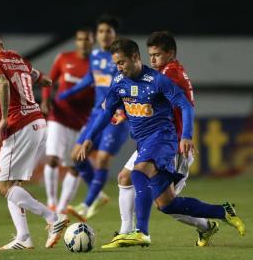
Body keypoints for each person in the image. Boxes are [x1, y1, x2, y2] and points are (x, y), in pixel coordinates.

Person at [77, 38, 246, 247]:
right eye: (116, 64)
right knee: (165, 203)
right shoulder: (119, 81)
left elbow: (185, 105)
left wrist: (186, 135)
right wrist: (88, 139)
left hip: (163, 139)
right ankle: (221, 212)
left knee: (138, 172)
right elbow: (107, 112)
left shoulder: (158, 79)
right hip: (144, 142)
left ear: (135, 57)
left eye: (121, 62)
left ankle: (140, 232)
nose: (118, 67)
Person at [102, 31, 219, 248]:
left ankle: (206, 225)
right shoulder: (164, 72)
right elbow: (140, 100)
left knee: (167, 203)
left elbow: (183, 106)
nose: (152, 60)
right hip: (153, 140)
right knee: (125, 178)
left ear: (170, 54)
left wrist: (185, 136)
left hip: (171, 144)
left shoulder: (169, 75)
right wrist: (122, 110)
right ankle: (127, 231)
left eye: (157, 55)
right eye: (150, 55)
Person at [0, 31, 69, 250]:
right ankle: (24, 237)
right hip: (38, 122)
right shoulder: (18, 59)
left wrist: (3, 118)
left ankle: (53, 218)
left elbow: (1, 82)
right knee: (14, 184)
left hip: (20, 125)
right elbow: (45, 80)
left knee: (3, 186)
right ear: (2, 44)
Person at [58, 14, 130, 221]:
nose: (104, 35)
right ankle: (97, 195)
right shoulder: (96, 56)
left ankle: (87, 204)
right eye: (100, 31)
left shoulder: (122, 57)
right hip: (97, 114)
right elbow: (90, 77)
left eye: (108, 31)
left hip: (117, 115)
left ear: (115, 34)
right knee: (76, 156)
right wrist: (69, 92)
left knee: (102, 158)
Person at [41, 28, 95, 213]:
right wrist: (46, 99)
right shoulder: (64, 58)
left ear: (92, 41)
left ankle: (61, 210)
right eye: (80, 39)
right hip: (59, 116)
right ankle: (51, 202)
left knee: (76, 166)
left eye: (87, 39)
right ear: (76, 41)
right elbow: (49, 80)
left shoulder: (97, 64)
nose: (83, 42)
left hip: (83, 121)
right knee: (53, 159)